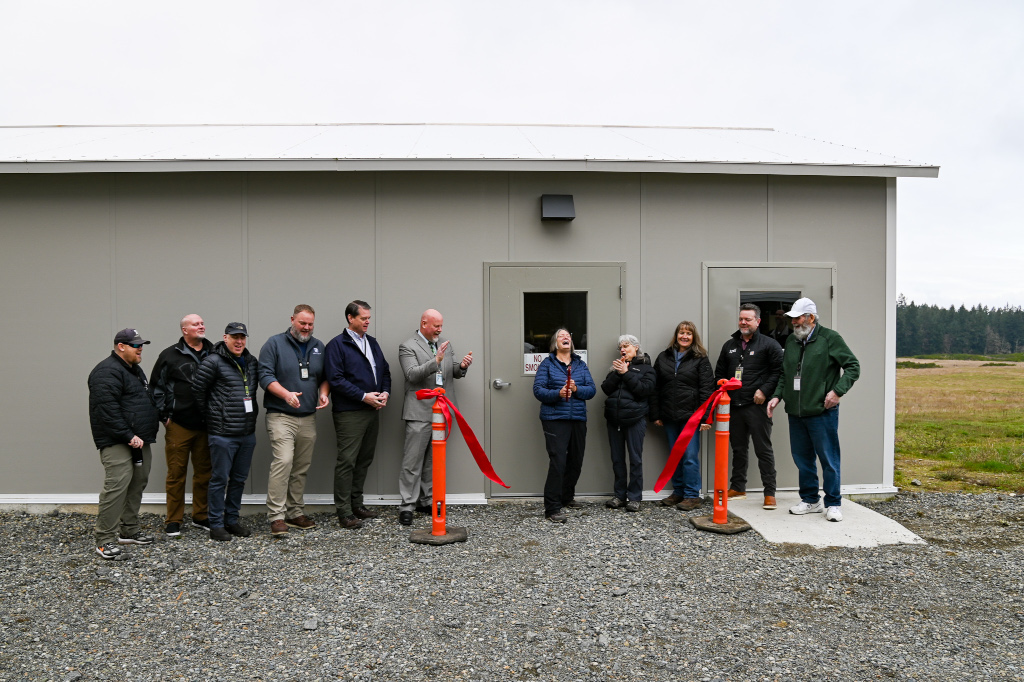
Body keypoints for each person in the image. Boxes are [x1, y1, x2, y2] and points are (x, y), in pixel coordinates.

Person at [767, 297, 860, 522]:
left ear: (810, 317)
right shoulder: (791, 340)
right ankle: (810, 500)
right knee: (802, 459)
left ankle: (833, 503)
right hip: (796, 412)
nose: (794, 323)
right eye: (792, 319)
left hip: (822, 412)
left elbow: (852, 366)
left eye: (797, 318)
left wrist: (837, 392)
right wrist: (778, 396)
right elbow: (784, 373)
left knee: (828, 458)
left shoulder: (830, 338)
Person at [258, 305, 330, 537]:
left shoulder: (319, 346)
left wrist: (324, 393)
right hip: (281, 415)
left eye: (310, 324)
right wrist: (286, 394)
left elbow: (324, 377)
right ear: (292, 320)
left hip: (308, 416)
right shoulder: (274, 343)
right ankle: (276, 516)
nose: (306, 328)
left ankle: (295, 512)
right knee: (284, 461)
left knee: (301, 466)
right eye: (302, 323)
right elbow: (265, 376)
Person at [88, 328, 160, 559]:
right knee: (117, 485)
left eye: (142, 345)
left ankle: (128, 530)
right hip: (118, 440)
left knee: (138, 482)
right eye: (136, 345)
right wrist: (128, 435)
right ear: (121, 346)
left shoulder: (133, 370)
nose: (140, 349)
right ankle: (104, 540)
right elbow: (106, 411)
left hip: (139, 440)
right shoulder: (106, 372)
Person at [397, 309, 473, 526]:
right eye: (436, 326)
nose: (440, 330)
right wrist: (436, 360)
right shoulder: (407, 346)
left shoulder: (445, 344)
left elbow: (452, 371)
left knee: (433, 460)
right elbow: (412, 374)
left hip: (442, 411)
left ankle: (427, 500)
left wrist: (462, 367)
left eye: (441, 325)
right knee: (413, 461)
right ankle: (407, 506)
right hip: (419, 411)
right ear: (423, 323)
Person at [325, 300, 391, 530]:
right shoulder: (337, 345)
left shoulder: (372, 343)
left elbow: (385, 370)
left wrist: (384, 392)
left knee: (364, 459)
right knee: (347, 461)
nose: (367, 322)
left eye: (368, 318)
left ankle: (357, 504)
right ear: (350, 318)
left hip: (373, 410)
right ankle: (344, 511)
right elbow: (335, 379)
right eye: (363, 318)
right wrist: (364, 396)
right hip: (350, 412)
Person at [192, 322, 260, 541]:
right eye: (235, 337)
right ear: (225, 337)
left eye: (242, 337)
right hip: (222, 433)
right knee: (219, 479)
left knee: (239, 479)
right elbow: (198, 391)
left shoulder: (251, 362)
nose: (239, 341)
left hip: (246, 432)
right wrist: (212, 417)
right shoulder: (213, 361)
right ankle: (216, 524)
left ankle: (231, 520)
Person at [713, 304, 784, 510]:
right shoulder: (729, 346)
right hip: (734, 406)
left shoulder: (770, 345)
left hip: (757, 406)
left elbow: (778, 372)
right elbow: (719, 373)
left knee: (763, 449)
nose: (743, 322)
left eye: (748, 319)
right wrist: (722, 386)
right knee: (738, 449)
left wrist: (764, 391)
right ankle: (738, 487)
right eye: (741, 319)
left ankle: (769, 493)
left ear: (758, 322)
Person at [150, 314, 214, 536]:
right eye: (196, 324)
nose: (201, 326)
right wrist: (164, 416)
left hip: (206, 424)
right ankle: (174, 519)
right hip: (179, 425)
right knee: (176, 473)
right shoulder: (169, 355)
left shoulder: (214, 352)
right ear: (185, 330)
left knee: (204, 473)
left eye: (202, 323)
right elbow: (156, 387)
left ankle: (201, 515)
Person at [532, 327, 596, 524]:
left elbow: (591, 390)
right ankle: (552, 507)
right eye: (561, 336)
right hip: (554, 419)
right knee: (558, 462)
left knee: (575, 461)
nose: (565, 337)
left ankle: (566, 497)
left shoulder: (580, 364)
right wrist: (557, 394)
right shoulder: (547, 364)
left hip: (577, 418)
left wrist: (576, 389)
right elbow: (538, 390)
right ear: (555, 343)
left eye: (568, 335)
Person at [650, 321, 714, 512]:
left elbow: (707, 389)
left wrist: (706, 418)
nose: (684, 336)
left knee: (690, 457)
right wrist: (656, 414)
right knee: (674, 456)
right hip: (669, 415)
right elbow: (655, 388)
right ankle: (678, 492)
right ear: (676, 335)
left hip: (691, 417)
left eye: (688, 333)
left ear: (694, 337)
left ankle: (692, 494)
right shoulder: (663, 357)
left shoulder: (700, 359)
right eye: (681, 333)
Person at [601, 334, 655, 512]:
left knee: (635, 459)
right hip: (614, 420)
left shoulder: (647, 369)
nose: (623, 350)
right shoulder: (615, 368)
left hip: (635, 419)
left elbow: (644, 391)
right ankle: (619, 495)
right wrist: (618, 373)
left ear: (636, 347)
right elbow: (606, 389)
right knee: (617, 459)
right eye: (621, 347)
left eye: (626, 346)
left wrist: (626, 373)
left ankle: (634, 497)